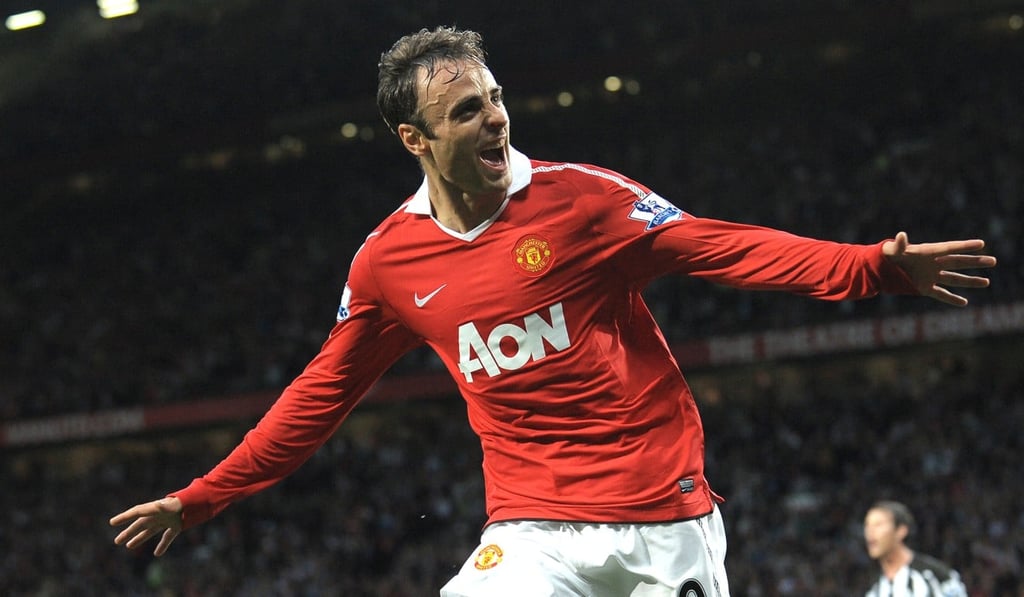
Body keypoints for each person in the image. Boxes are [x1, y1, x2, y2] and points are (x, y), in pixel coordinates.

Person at [110, 26, 996, 596]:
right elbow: (316, 398)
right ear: (415, 140)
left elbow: (725, 246)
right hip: (531, 530)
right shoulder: (388, 263)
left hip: (663, 520)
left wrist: (871, 270)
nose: (496, 119)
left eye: (494, 96)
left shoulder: (585, 203)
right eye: (467, 111)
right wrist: (201, 497)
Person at [863, 500, 968, 597]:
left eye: (878, 525)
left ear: (901, 531)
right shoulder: (873, 588)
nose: (870, 532)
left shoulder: (934, 576)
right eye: (867, 525)